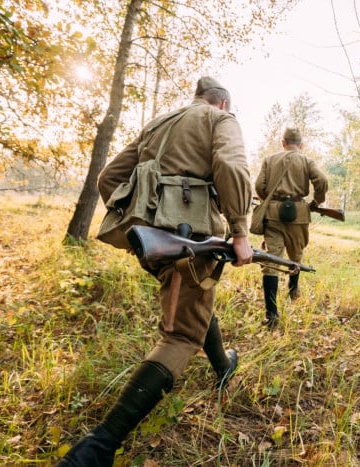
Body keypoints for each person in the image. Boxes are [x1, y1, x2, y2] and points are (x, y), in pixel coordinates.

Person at [57, 76, 254, 467]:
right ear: (222, 103)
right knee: (180, 334)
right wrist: (240, 232)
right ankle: (98, 447)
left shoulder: (159, 123)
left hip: (150, 241)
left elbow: (108, 178)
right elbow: (231, 167)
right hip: (188, 238)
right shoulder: (220, 120)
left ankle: (222, 365)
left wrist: (141, 225)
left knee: (192, 300)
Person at [254, 127, 328, 329]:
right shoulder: (307, 161)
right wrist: (316, 201)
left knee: (271, 258)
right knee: (296, 254)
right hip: (299, 213)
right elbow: (322, 181)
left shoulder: (269, 160)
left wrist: (269, 199)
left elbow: (259, 186)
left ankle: (271, 315)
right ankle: (293, 289)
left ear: (283, 142)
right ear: (301, 145)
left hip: (273, 214)